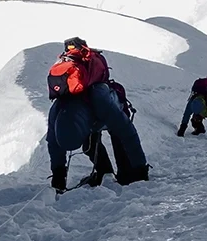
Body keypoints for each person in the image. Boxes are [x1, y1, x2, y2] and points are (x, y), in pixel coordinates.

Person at [46, 36, 150, 191]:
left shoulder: (101, 100)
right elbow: (54, 145)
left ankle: (127, 174)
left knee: (118, 135)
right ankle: (105, 173)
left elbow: (127, 133)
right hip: (88, 113)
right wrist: (58, 176)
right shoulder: (58, 111)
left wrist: (140, 168)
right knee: (90, 144)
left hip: (106, 105)